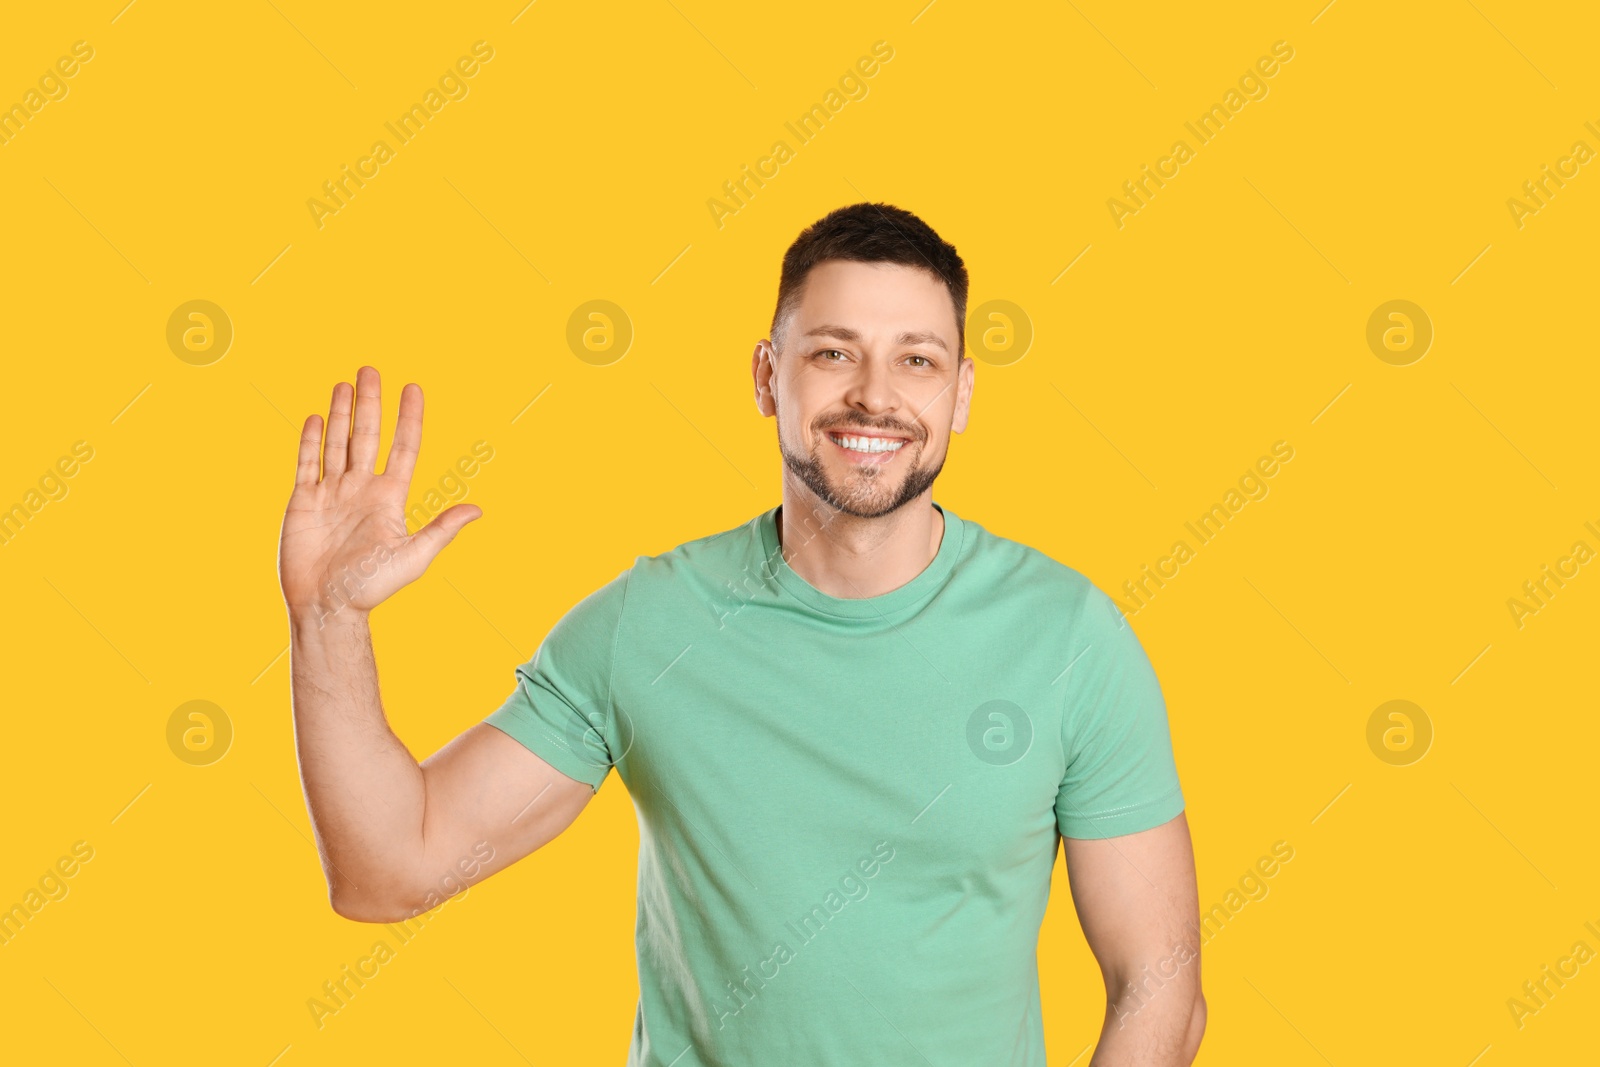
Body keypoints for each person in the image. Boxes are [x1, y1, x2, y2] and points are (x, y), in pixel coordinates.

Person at [278, 202, 1205, 1065]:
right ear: (769, 376)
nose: (874, 397)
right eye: (834, 354)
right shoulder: (649, 624)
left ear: (960, 393)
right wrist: (328, 618)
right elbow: (388, 872)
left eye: (916, 360)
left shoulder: (1068, 636)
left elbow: (1158, 987)